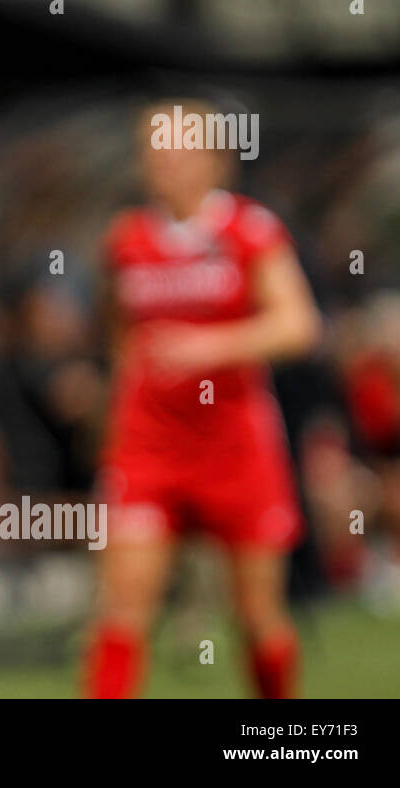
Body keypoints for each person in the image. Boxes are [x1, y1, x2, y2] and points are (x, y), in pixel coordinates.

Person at [84, 98, 321, 699]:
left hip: (235, 444)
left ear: (215, 159)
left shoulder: (250, 230)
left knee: (256, 616)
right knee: (122, 608)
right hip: (150, 447)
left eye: (179, 149)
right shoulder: (126, 239)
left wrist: (208, 348)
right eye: (154, 150)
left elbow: (298, 325)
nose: (164, 162)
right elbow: (120, 338)